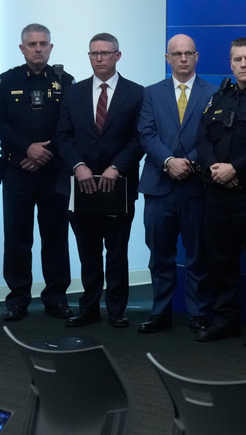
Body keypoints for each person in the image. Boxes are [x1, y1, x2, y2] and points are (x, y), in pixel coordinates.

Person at [55, 33, 144, 327]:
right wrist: (78, 166)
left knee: (117, 251)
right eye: (94, 54)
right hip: (81, 185)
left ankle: (117, 309)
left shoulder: (136, 93)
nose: (100, 58)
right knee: (88, 251)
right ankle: (88, 307)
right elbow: (63, 137)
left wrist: (117, 166)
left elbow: (138, 139)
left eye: (106, 53)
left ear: (118, 56)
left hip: (118, 184)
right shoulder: (74, 93)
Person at [194, 37, 246, 348]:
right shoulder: (218, 97)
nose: (243, 64)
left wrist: (234, 169)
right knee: (220, 261)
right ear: (230, 63)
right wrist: (215, 167)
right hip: (216, 193)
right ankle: (223, 319)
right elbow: (202, 138)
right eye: (237, 59)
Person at [136, 34, 215, 334]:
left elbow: (211, 136)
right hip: (159, 186)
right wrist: (169, 161)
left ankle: (198, 313)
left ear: (197, 57)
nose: (183, 59)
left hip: (196, 186)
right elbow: (146, 134)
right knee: (159, 255)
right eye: (176, 54)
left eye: (188, 54)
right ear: (167, 59)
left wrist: (191, 163)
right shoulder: (151, 93)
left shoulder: (213, 92)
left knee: (197, 255)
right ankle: (160, 312)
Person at [0, 24, 76, 321]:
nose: (38, 49)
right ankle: (18, 297)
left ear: (51, 47)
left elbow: (70, 125)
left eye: (43, 44)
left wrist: (45, 152)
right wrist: (27, 149)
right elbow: (2, 125)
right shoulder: (6, 81)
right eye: (32, 44)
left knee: (55, 237)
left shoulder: (65, 81)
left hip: (53, 171)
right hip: (17, 169)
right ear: (22, 48)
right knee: (17, 236)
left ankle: (56, 297)